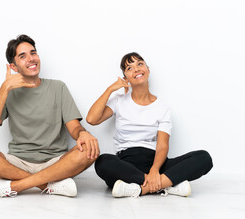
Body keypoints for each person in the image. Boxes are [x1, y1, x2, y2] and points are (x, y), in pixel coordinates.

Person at [0, 34, 99, 199]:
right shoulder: (8, 93)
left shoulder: (58, 87)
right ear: (13, 66)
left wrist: (83, 133)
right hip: (16, 162)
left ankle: (14, 186)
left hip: (55, 163)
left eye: (33, 53)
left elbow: (74, 127)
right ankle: (47, 185)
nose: (31, 59)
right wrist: (4, 88)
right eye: (23, 56)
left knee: (90, 149)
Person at [86, 52, 213, 198]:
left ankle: (139, 189)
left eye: (140, 64)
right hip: (127, 164)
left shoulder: (162, 108)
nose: (136, 69)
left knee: (203, 158)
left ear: (148, 69)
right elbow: (91, 119)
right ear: (125, 77)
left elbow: (162, 145)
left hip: (156, 163)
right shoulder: (118, 100)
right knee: (102, 162)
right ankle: (166, 185)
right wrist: (110, 89)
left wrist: (154, 170)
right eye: (129, 68)